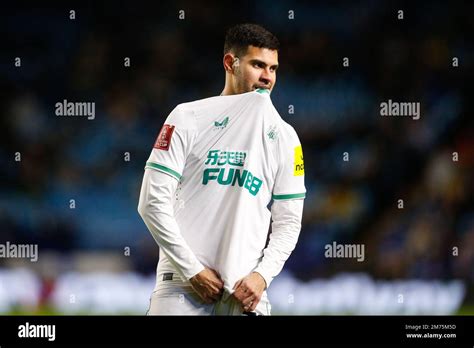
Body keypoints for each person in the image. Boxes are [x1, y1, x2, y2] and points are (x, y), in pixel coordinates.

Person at [138, 23, 305, 315]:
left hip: (246, 293)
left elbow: (288, 222)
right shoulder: (187, 117)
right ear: (230, 63)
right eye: (258, 65)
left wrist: (262, 276)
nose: (267, 77)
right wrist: (192, 270)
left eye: (273, 68)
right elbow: (151, 203)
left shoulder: (286, 138)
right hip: (181, 287)